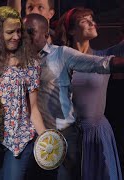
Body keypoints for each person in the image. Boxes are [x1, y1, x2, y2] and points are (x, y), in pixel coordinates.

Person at [23, 13, 124, 180]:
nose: (24, 36)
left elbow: (101, 63)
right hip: (33, 137)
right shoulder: (18, 60)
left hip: (65, 134)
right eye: (22, 31)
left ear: (46, 35)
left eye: (30, 32)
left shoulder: (61, 54)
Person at [0, 6, 46, 180]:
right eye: (10, 32)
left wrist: (45, 138)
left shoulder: (30, 63)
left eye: (19, 31)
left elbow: (33, 108)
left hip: (19, 140)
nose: (16, 37)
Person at [53, 7, 123, 180]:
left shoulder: (105, 57)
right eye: (85, 20)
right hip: (69, 135)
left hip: (97, 134)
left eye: (92, 19)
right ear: (71, 30)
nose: (93, 23)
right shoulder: (61, 60)